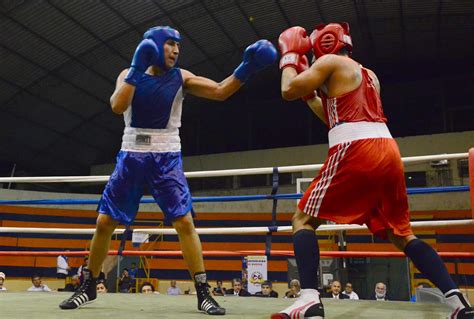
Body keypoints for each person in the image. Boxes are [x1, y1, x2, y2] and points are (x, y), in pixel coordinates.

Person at [58, 25, 276, 314]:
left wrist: (247, 67)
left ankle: (203, 292)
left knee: (184, 222)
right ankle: (88, 286)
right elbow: (116, 105)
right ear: (154, 45)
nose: (176, 50)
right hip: (132, 154)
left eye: (178, 46)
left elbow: (221, 91)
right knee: (104, 223)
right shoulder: (128, 74)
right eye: (170, 44)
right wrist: (137, 68)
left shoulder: (181, 76)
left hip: (166, 156)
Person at [273, 22, 474, 319]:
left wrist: (289, 56)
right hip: (388, 152)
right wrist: (311, 97)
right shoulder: (368, 75)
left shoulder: (330, 62)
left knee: (302, 219)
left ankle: (309, 299)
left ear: (324, 46)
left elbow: (288, 89)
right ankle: (457, 302)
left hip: (357, 150)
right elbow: (335, 117)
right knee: (402, 235)